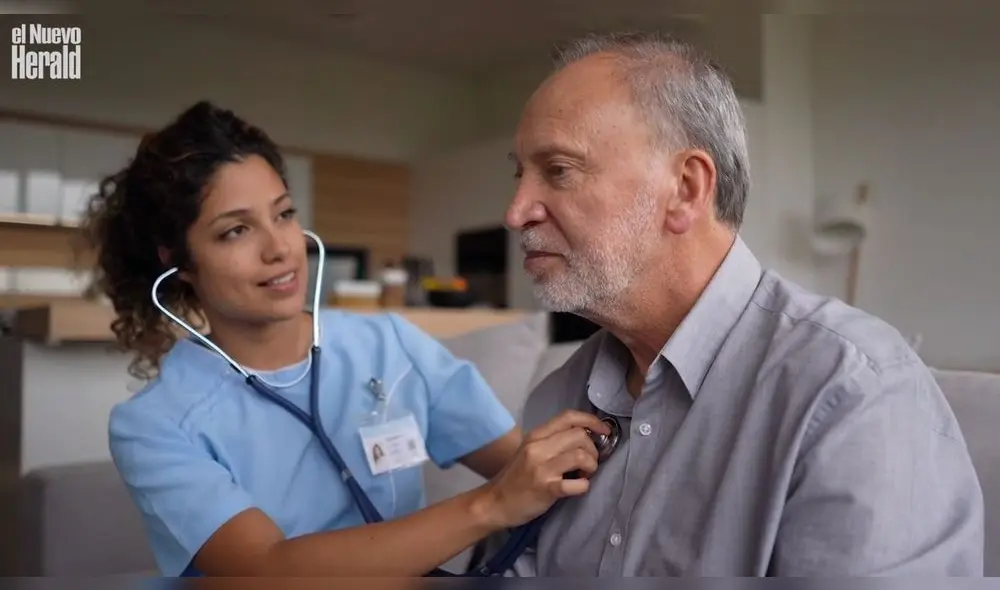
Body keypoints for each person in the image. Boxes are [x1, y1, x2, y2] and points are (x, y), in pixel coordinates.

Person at [498, 31, 984, 576]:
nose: (516, 212)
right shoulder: (555, 397)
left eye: (558, 170)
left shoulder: (853, 392)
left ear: (685, 188)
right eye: (520, 175)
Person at [82, 101, 609, 577]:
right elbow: (266, 571)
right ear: (175, 261)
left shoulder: (389, 346)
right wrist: (490, 505)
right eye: (235, 231)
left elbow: (519, 469)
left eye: (284, 214)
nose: (280, 249)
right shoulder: (154, 425)